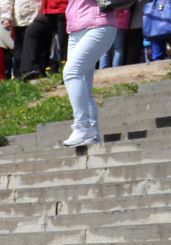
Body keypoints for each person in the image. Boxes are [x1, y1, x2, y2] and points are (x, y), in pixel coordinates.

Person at [61, 0, 118, 146]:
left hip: (98, 23)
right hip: (75, 28)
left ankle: (82, 126)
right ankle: (93, 133)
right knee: (84, 85)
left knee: (71, 73)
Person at [20, 0, 68, 78]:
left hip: (65, 10)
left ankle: (67, 71)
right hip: (49, 11)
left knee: (63, 42)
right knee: (32, 31)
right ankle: (31, 70)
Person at [0, 0, 43, 77]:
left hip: (37, 16)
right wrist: (6, 17)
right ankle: (20, 75)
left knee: (37, 48)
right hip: (22, 19)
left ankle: (37, 72)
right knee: (21, 50)